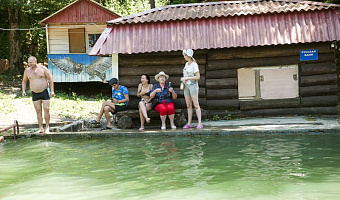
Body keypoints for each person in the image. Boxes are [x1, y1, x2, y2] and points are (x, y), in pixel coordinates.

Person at [22, 56, 55, 134]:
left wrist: (52, 91)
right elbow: (24, 81)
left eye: (31, 62)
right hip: (35, 93)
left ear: (35, 61)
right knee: (38, 110)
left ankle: (47, 127)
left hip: (44, 92)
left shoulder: (43, 69)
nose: (29, 64)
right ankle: (40, 128)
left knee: (46, 109)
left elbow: (50, 79)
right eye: (28, 62)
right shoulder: (27, 71)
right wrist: (23, 90)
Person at [181, 49, 203, 129]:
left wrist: (188, 78)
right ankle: (189, 123)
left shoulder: (194, 65)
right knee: (188, 105)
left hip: (193, 85)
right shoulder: (186, 64)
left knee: (196, 105)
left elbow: (198, 77)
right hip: (186, 86)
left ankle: (200, 123)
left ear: (189, 56)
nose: (184, 56)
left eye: (185, 55)